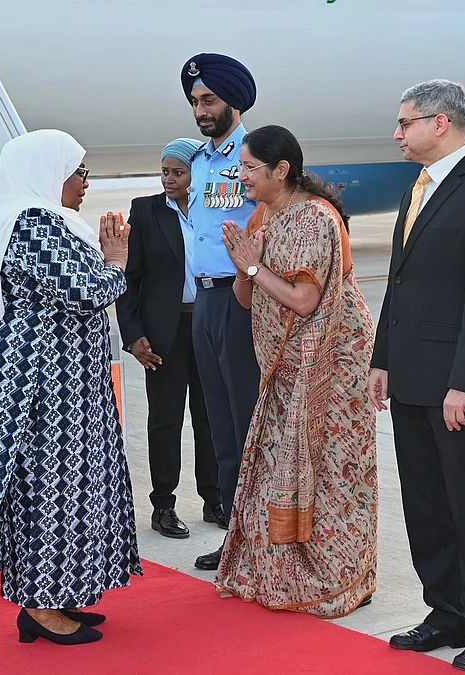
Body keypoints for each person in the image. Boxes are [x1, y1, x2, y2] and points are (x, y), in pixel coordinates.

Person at [0, 129, 141, 646]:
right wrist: (116, 263)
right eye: (77, 171)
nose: (85, 183)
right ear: (47, 172)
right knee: (48, 490)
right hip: (41, 388)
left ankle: (59, 596)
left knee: (71, 488)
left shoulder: (48, 221)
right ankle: (39, 606)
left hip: (62, 383)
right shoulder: (33, 224)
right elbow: (86, 292)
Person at [370, 79, 465, 673]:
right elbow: (401, 284)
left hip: (460, 383)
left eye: (405, 123)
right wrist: (382, 358)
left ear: (441, 123)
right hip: (409, 373)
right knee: (426, 502)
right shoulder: (419, 189)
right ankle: (447, 610)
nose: (398, 133)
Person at [212, 125, 379, 618]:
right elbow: (248, 297)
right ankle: (283, 571)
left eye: (249, 168)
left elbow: (305, 302)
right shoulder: (265, 215)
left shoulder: (313, 219)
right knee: (282, 467)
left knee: (331, 471)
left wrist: (252, 268)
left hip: (329, 366)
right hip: (283, 370)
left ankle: (341, 576)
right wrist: (245, 266)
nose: (240, 176)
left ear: (281, 170)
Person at [179, 52, 262, 571]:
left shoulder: (254, 154)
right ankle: (236, 534)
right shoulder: (202, 159)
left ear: (233, 99)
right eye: (194, 102)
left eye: (208, 100)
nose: (200, 111)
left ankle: (262, 538)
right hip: (204, 300)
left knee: (248, 417)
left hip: (241, 297)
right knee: (218, 423)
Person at [116, 137, 223, 539]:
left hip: (208, 325)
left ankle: (215, 500)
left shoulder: (213, 208)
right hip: (165, 332)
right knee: (165, 420)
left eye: (177, 172)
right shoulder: (145, 212)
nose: (169, 179)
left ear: (198, 175)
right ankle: (163, 505)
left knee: (211, 417)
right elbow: (130, 279)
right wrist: (133, 335)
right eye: (164, 171)